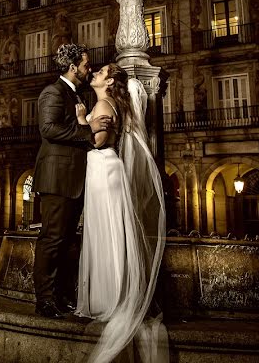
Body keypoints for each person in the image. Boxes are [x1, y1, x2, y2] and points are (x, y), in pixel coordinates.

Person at [74, 63, 167, 363]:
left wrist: (79, 120)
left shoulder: (102, 103)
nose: (94, 75)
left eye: (99, 72)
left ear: (109, 80)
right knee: (114, 231)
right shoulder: (113, 104)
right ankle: (116, 293)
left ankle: (108, 298)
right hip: (109, 168)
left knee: (104, 232)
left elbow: (96, 140)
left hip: (102, 167)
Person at [32, 43, 111, 319]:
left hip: (73, 178)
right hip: (57, 178)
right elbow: (49, 128)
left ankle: (61, 295)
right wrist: (87, 129)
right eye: (86, 64)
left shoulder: (76, 93)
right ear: (72, 66)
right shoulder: (53, 92)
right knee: (52, 240)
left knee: (66, 241)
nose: (89, 68)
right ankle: (44, 300)